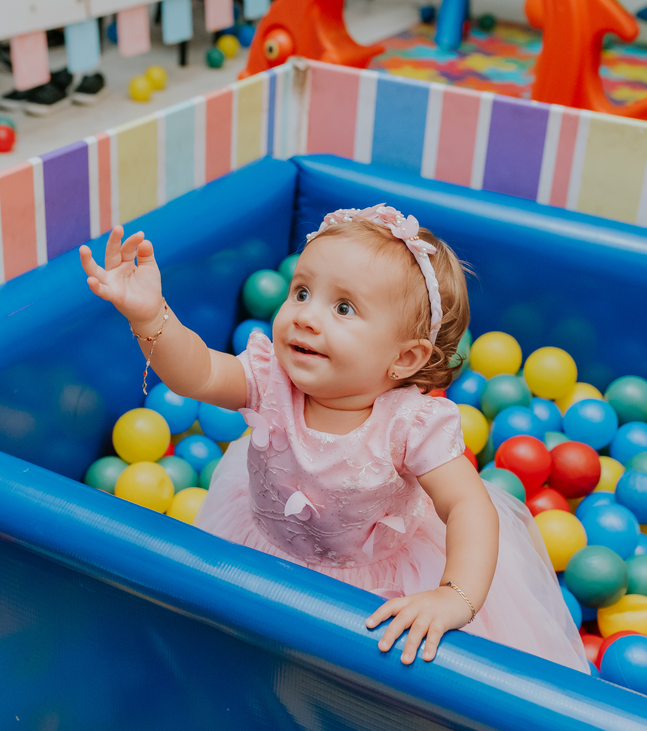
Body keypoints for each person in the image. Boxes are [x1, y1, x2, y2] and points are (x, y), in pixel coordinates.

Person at [79, 204, 587, 670]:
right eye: (301, 291)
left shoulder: (411, 424)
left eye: (343, 308)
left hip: (377, 581)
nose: (305, 314)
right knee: (243, 659)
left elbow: (470, 507)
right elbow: (197, 374)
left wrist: (455, 595)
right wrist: (149, 314)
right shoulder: (270, 378)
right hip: (265, 549)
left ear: (404, 359)